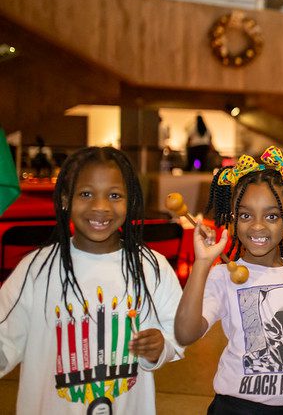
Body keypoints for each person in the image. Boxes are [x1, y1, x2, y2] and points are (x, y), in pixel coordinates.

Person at [0, 146, 183, 414]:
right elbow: (5, 341)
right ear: (65, 199)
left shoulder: (150, 266)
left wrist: (160, 347)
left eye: (114, 195)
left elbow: (177, 333)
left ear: (130, 200)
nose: (100, 207)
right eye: (86, 194)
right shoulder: (36, 269)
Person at [175, 147, 283, 415]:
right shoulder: (223, 276)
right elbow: (185, 333)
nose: (257, 226)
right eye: (246, 215)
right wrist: (201, 264)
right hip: (235, 408)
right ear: (234, 218)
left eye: (271, 216)